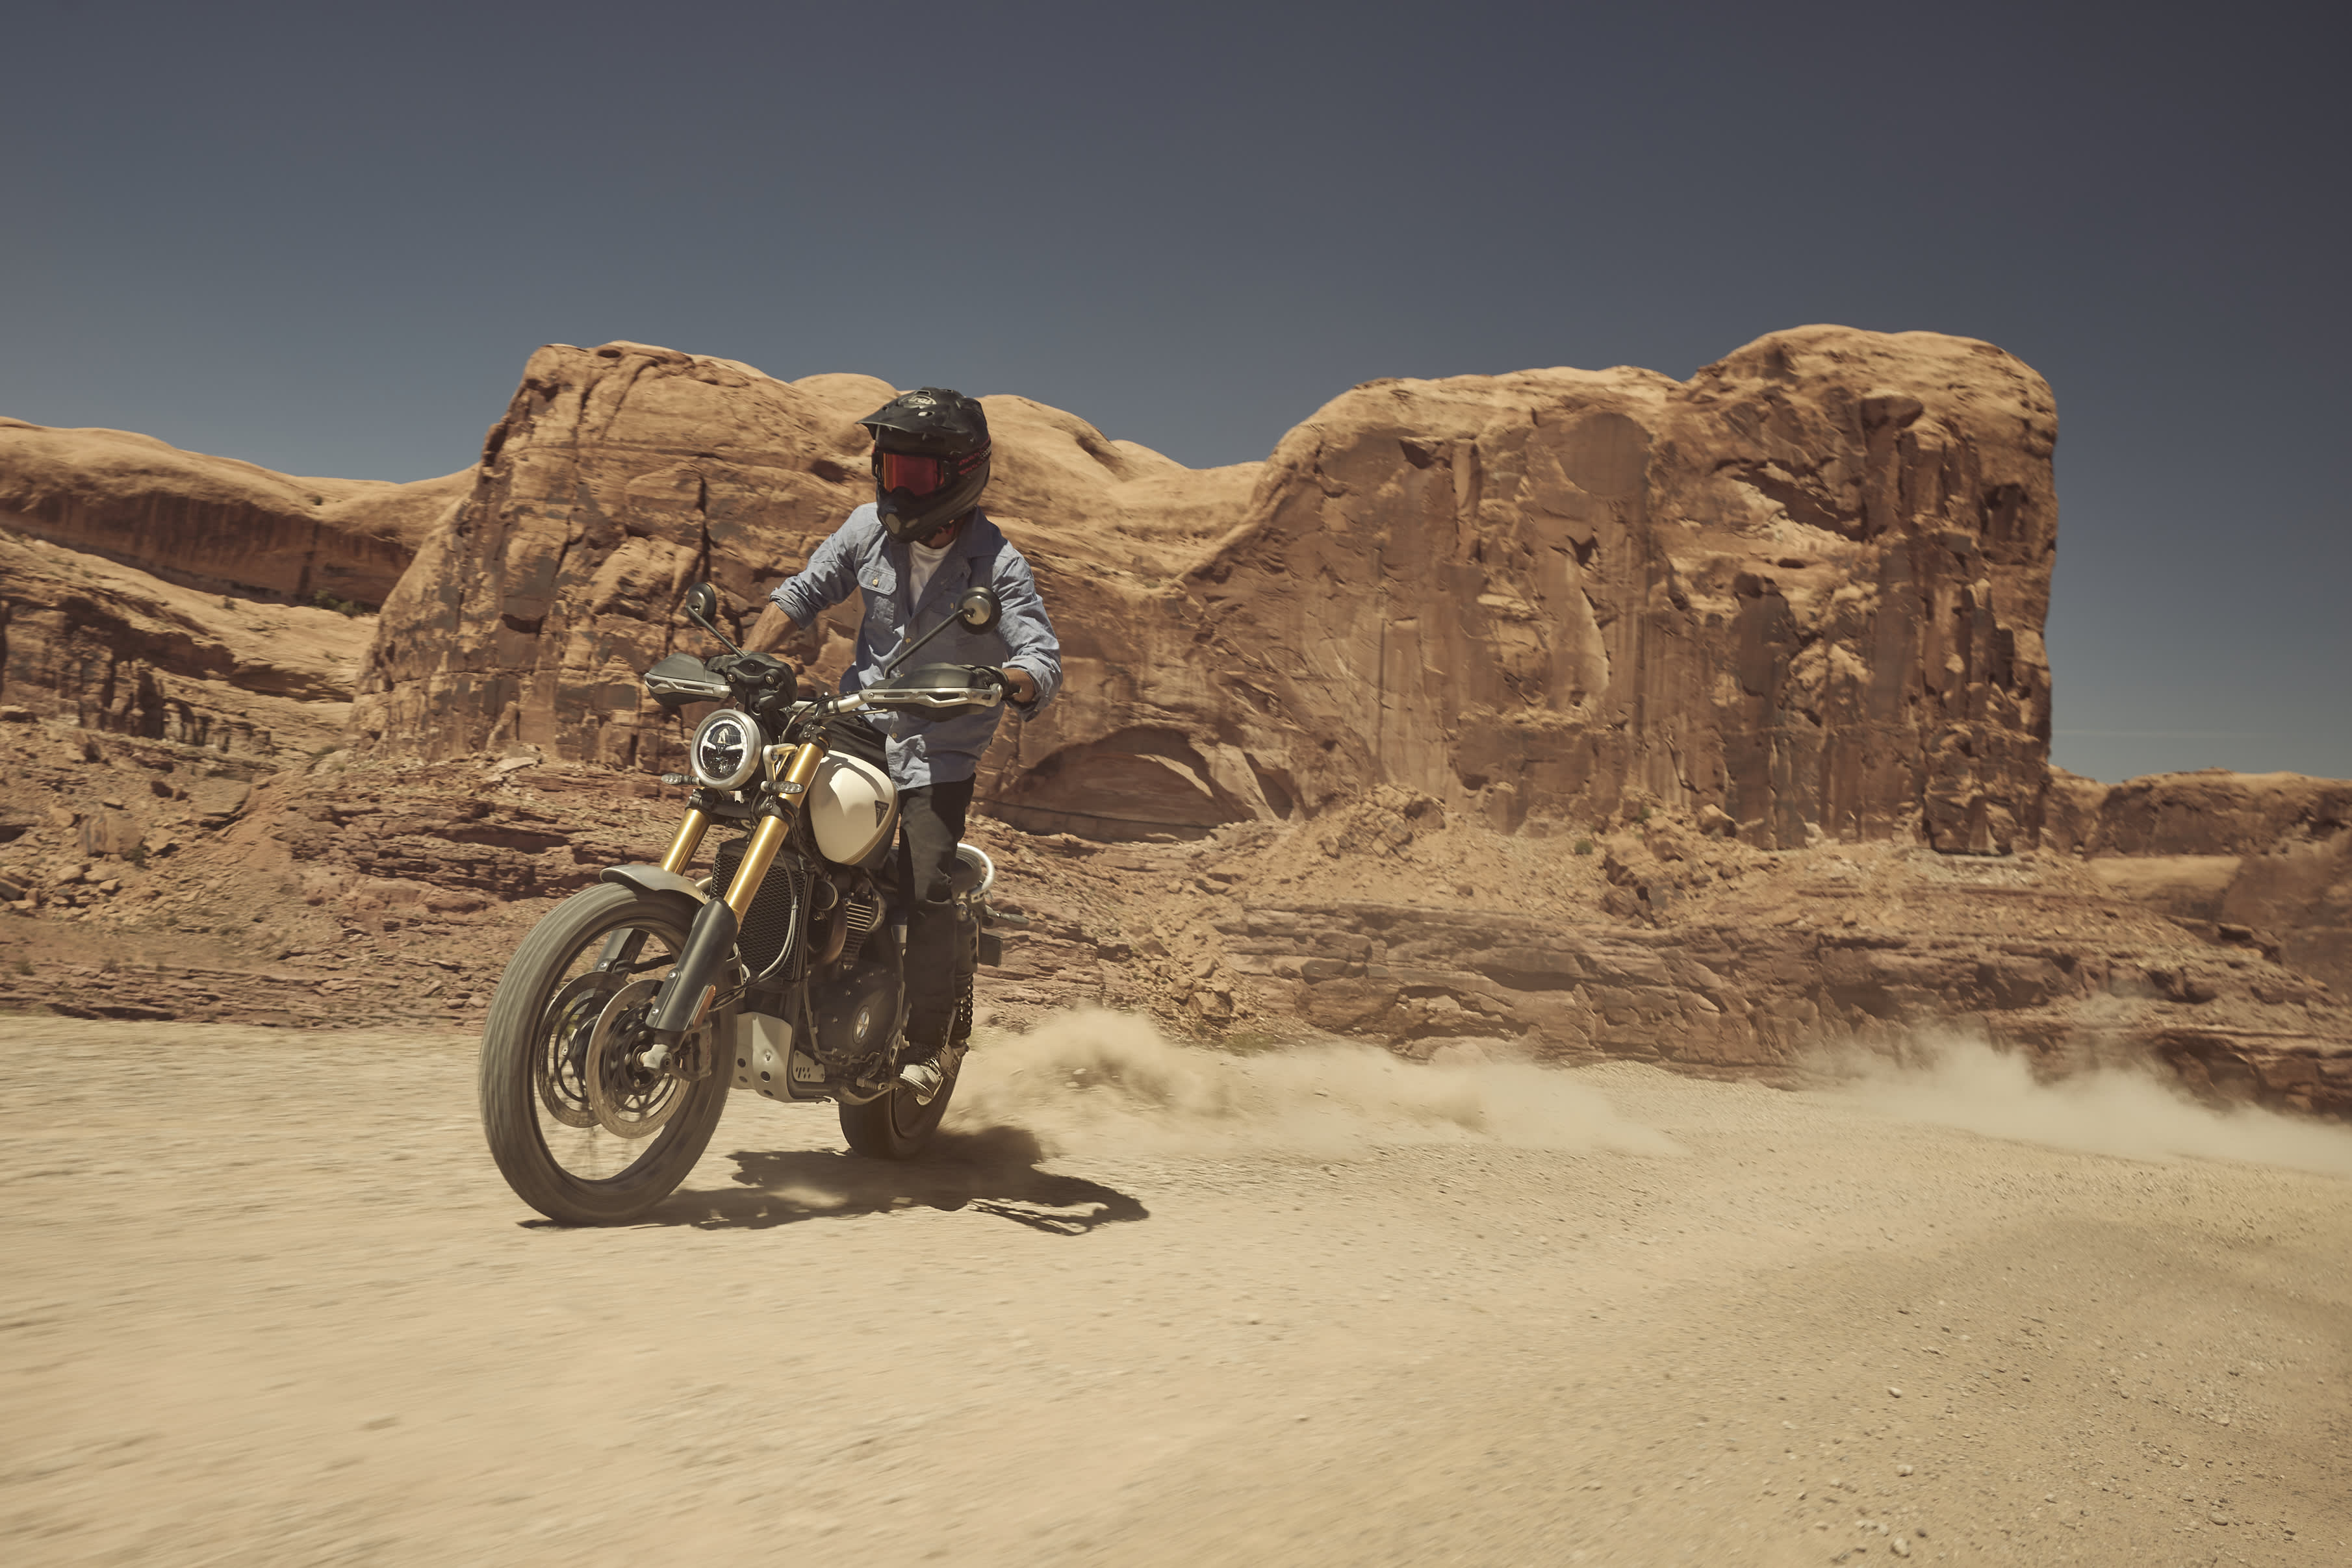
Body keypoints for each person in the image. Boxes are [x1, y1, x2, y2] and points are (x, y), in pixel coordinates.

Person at [763, 388, 1061, 1102]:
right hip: (862, 716)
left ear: (961, 474)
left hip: (938, 747)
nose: (898, 485)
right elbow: (802, 593)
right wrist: (744, 656)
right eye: (890, 466)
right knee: (766, 805)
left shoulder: (999, 565)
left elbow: (1042, 656)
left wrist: (1007, 679)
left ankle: (926, 1042)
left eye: (917, 475)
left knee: (925, 885)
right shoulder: (867, 528)